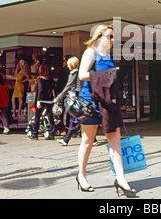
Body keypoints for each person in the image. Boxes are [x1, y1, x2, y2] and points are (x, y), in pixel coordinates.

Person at [77, 24, 136, 197]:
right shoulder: (90, 52)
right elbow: (82, 74)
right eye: (109, 36)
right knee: (87, 141)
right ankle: (81, 175)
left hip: (108, 103)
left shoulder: (108, 55)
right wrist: (108, 75)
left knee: (115, 142)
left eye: (113, 37)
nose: (112, 40)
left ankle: (121, 179)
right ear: (99, 36)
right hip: (91, 102)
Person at [54, 56, 82, 146]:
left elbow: (68, 87)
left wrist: (58, 98)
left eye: (68, 64)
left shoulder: (73, 73)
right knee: (77, 119)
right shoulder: (78, 72)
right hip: (78, 98)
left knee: (72, 119)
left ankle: (66, 140)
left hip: (73, 99)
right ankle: (93, 140)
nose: (67, 65)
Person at [29, 64, 55, 140]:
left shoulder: (40, 79)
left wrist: (38, 100)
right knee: (50, 116)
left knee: (37, 116)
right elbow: (53, 89)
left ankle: (35, 133)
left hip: (41, 99)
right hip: (49, 100)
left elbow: (40, 89)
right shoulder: (50, 79)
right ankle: (52, 133)